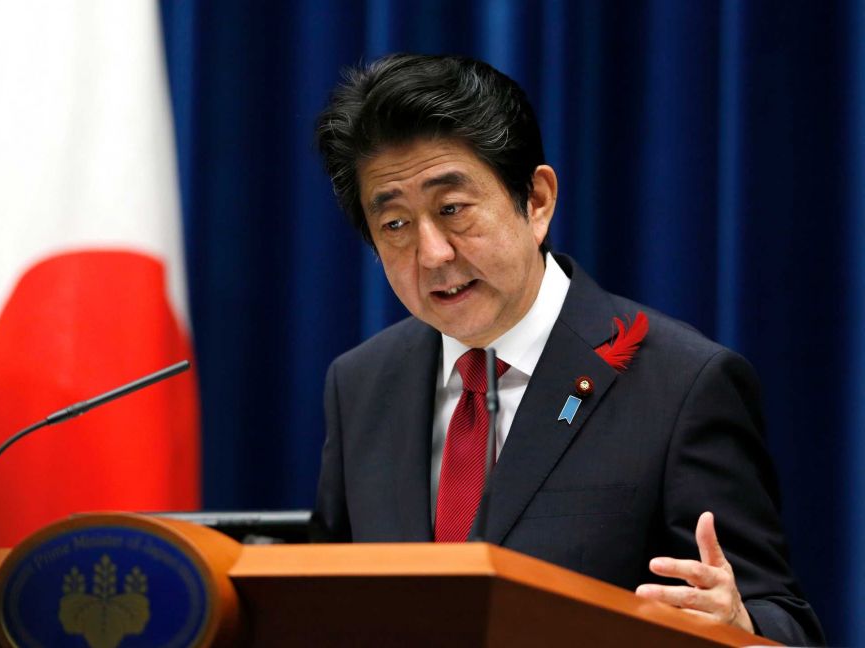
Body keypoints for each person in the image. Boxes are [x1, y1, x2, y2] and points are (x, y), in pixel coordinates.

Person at [312, 53, 824, 645]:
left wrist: (740, 627)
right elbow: (332, 605)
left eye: (452, 210)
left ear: (536, 201)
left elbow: (786, 623)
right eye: (396, 225)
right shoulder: (361, 384)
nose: (432, 254)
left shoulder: (683, 385)